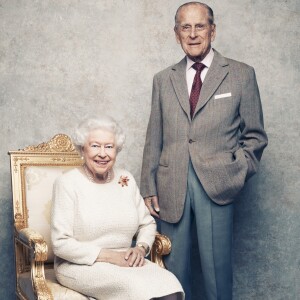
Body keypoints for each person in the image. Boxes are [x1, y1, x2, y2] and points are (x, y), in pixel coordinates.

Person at [141, 2, 268, 300]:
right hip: (170, 185)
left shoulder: (240, 74)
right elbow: (153, 136)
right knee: (171, 275)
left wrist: (234, 173)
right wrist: (148, 184)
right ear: (176, 34)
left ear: (213, 30)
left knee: (216, 275)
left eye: (200, 26)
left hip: (217, 183)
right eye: (186, 27)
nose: (193, 34)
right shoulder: (163, 79)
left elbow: (255, 137)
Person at [51, 116, 184, 300]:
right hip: (80, 265)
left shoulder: (126, 180)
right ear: (83, 148)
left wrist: (141, 248)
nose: (103, 154)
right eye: (95, 145)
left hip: (127, 260)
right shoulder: (67, 183)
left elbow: (146, 224)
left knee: (171, 287)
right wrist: (110, 257)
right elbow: (60, 243)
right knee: (137, 290)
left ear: (117, 150)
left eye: (109, 146)